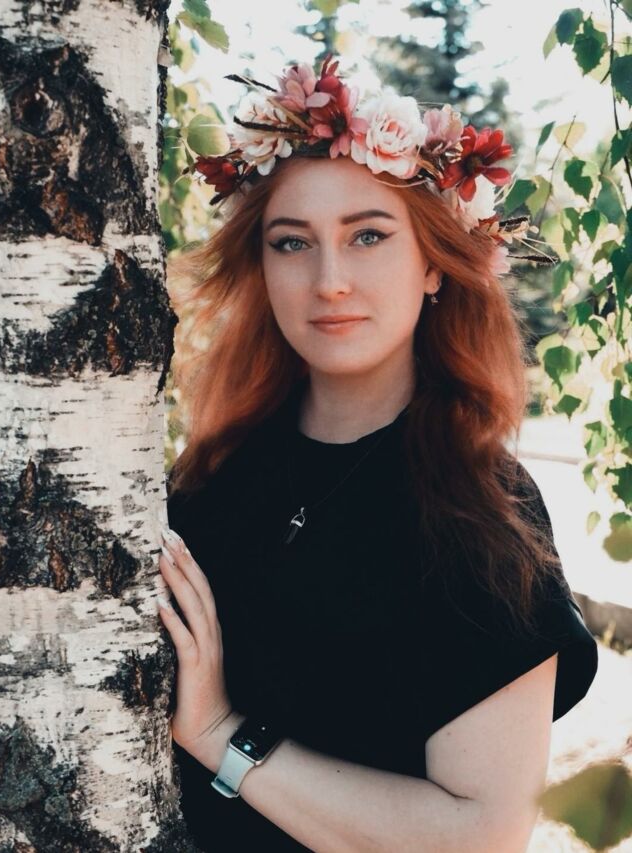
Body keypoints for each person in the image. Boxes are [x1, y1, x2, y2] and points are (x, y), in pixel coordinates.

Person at [155, 54, 599, 852]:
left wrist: (222, 735)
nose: (329, 280)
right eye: (292, 243)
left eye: (367, 235)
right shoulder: (212, 474)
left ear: (433, 264)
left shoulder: (481, 508)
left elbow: (483, 835)